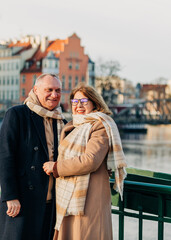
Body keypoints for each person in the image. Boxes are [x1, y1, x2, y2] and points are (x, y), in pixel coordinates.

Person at [43, 83, 127, 240]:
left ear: (94, 103)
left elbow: (91, 160)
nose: (78, 106)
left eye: (84, 101)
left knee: (86, 234)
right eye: (75, 102)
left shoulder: (100, 124)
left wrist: (56, 167)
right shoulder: (73, 126)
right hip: (70, 195)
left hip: (89, 197)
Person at [0, 73, 66, 240]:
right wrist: (10, 196)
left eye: (58, 90)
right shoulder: (18, 114)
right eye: (49, 90)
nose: (54, 95)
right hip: (22, 199)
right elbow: (5, 157)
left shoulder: (61, 121)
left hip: (50, 202)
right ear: (35, 90)